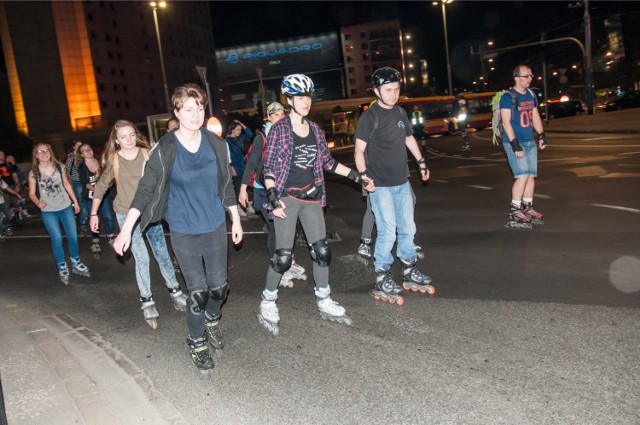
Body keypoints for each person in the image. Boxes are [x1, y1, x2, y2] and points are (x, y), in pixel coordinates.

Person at [113, 84, 242, 372]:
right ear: (177, 112)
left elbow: (225, 185)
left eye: (199, 108)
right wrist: (127, 229)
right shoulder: (165, 148)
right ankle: (196, 341)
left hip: (214, 224)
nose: (196, 114)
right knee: (197, 292)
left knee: (219, 289)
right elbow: (145, 189)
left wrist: (235, 217)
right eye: (188, 109)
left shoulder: (216, 144)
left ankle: (212, 320)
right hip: (184, 228)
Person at [256, 73, 374, 336]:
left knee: (322, 251)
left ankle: (324, 298)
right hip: (286, 197)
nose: (305, 101)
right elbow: (269, 167)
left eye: (308, 96)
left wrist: (357, 176)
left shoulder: (317, 130)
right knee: (283, 257)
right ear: (290, 100)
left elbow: (328, 163)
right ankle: (268, 300)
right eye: (300, 97)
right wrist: (273, 195)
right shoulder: (280, 129)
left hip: (311, 198)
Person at [90, 120, 188, 329]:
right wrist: (93, 214)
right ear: (116, 140)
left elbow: (167, 175)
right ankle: (147, 299)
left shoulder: (147, 154)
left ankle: (175, 291)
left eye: (131, 135)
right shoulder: (114, 161)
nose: (128, 140)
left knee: (162, 253)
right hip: (126, 215)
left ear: (136, 135)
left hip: (150, 212)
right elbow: (100, 188)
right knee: (141, 257)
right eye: (123, 137)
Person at [354, 67, 434, 306]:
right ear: (377, 91)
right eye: (388, 90)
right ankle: (382, 275)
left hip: (402, 181)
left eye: (396, 89)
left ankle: (409, 270)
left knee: (408, 227)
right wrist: (364, 176)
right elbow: (359, 151)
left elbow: (409, 138)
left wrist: (420, 162)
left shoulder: (400, 112)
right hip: (381, 186)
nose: (393, 94)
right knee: (388, 230)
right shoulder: (369, 117)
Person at [238, 101, 307, 288]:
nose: (280, 118)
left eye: (282, 115)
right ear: (268, 118)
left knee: (289, 227)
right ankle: (278, 266)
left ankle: (288, 261)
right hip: (265, 191)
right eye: (275, 115)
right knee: (276, 230)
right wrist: (243, 188)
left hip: (285, 189)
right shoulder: (262, 137)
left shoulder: (289, 134)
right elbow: (251, 164)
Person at [28, 144, 91, 284]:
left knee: (73, 237)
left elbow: (67, 185)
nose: (44, 153)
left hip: (65, 206)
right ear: (36, 155)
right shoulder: (34, 172)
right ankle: (62, 266)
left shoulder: (59, 167)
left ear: (50, 152)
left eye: (46, 151)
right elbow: (31, 193)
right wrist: (38, 202)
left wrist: (75, 202)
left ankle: (76, 262)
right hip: (48, 211)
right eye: (40, 151)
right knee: (56, 239)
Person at [500, 64, 547, 230]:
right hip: (514, 142)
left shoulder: (531, 94)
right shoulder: (507, 97)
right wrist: (515, 144)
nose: (530, 79)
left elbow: (535, 115)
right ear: (517, 78)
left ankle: (528, 207)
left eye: (531, 75)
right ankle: (515, 210)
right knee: (521, 175)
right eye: (526, 76)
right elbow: (506, 122)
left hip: (529, 140)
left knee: (531, 176)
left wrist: (541, 134)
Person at [77, 143, 116, 257]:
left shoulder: (101, 161)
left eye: (89, 148)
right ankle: (95, 242)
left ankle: (110, 236)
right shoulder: (82, 167)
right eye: (84, 150)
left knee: (109, 217)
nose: (88, 151)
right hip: (90, 197)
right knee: (95, 219)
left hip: (104, 196)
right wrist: (99, 189)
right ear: (82, 155)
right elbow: (86, 184)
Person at [225, 119, 253, 216]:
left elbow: (250, 134)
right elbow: (227, 156)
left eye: (240, 130)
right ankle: (238, 208)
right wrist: (231, 168)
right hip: (235, 167)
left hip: (242, 166)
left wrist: (240, 123)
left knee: (245, 186)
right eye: (237, 129)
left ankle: (245, 205)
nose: (239, 132)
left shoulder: (239, 139)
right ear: (232, 129)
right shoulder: (227, 141)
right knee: (237, 188)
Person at [65, 141, 88, 233]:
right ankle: (83, 222)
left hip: (86, 182)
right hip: (77, 182)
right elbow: (67, 172)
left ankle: (87, 218)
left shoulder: (83, 156)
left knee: (88, 201)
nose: (80, 146)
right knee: (82, 202)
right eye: (78, 145)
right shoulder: (71, 158)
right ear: (74, 147)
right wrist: (69, 184)